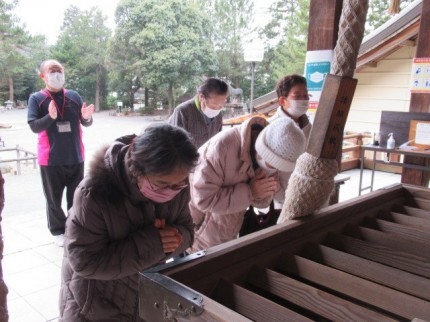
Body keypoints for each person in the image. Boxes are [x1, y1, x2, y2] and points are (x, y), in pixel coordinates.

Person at [59, 124, 199, 321]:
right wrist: (155, 244)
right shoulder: (93, 194)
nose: (172, 191)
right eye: (162, 185)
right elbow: (84, 262)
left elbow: (188, 232)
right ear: (137, 170)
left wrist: (173, 238)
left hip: (143, 294)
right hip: (95, 302)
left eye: (179, 183)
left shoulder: (177, 185)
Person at [27, 59, 94, 247]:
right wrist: (51, 117)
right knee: (53, 199)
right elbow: (34, 126)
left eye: (59, 70)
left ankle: (73, 228)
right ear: (43, 76)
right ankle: (58, 231)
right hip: (51, 158)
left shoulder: (73, 96)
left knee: (76, 196)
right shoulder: (37, 99)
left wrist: (87, 118)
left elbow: (84, 121)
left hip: (75, 155)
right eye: (52, 71)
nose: (57, 74)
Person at [188, 116, 280, 253]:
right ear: (263, 149)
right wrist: (250, 192)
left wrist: (266, 192)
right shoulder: (221, 147)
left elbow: (260, 203)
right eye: (272, 163)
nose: (273, 168)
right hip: (198, 234)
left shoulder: (273, 152)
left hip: (229, 231)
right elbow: (203, 199)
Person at [167, 77, 229, 148]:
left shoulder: (218, 113)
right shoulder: (183, 112)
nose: (218, 108)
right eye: (214, 105)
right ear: (201, 97)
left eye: (221, 105)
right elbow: (174, 144)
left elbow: (218, 139)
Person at [269, 74, 312, 140]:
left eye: (305, 95)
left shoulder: (308, 125)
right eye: (297, 96)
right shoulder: (270, 128)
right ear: (282, 101)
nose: (303, 99)